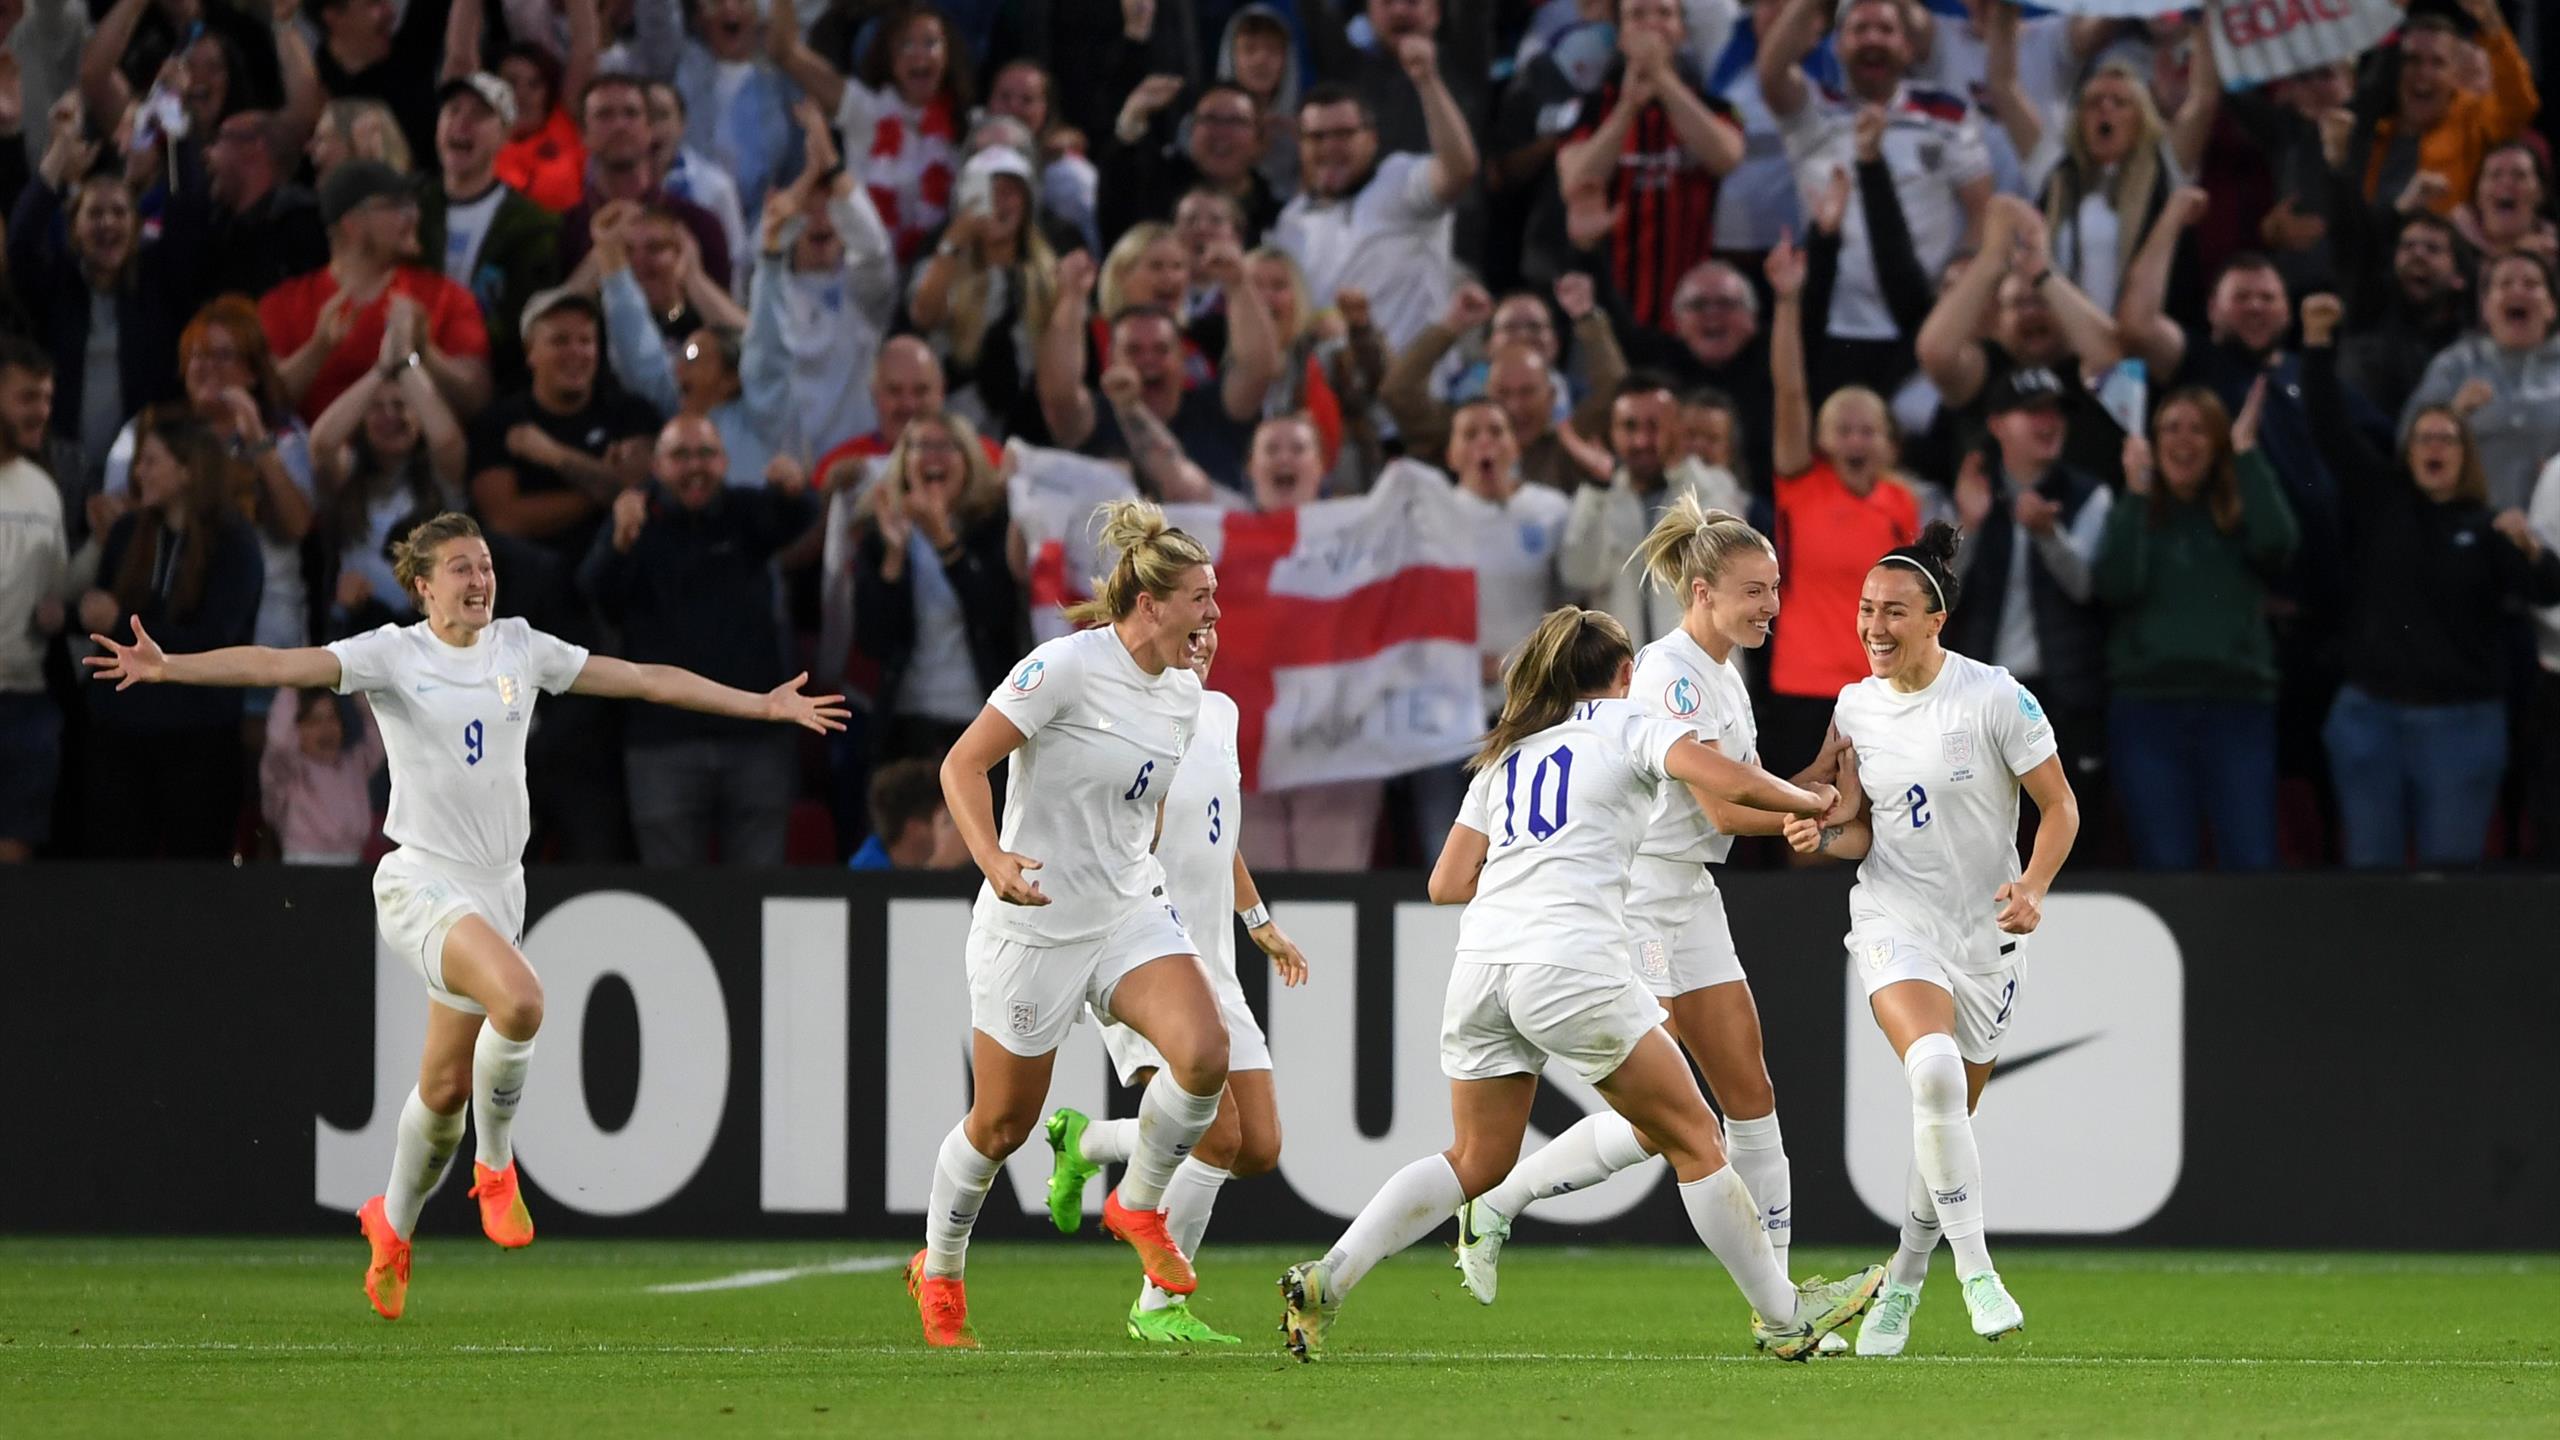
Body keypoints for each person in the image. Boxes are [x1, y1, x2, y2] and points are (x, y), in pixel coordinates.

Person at [83, 509, 843, 1317]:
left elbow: (646, 678)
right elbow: (278, 659)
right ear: (421, 586)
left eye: (484, 565)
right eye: (460, 568)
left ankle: (392, 1226)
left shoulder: (521, 646)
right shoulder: (390, 654)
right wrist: (173, 668)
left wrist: (761, 707)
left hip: (496, 889)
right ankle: (496, 1166)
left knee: (443, 1090)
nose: (479, 580)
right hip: (420, 882)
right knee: (522, 999)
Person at [1278, 605, 1875, 1363]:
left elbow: (1445, 881)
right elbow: (1723, 777)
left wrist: (1536, 865)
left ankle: (1329, 1278)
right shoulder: (1630, 724)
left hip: (1482, 966)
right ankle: (1785, 1316)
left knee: (1475, 1159)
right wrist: (1814, 801)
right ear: (1626, 675)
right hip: (1571, 962)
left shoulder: (1507, 755)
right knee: (1696, 1137)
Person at [1455, 501, 1853, 1340]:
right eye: (1755, 591)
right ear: (1702, 592)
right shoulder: (1669, 674)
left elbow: (1749, 787)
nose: (1771, 606)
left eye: (1777, 588)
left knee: (1751, 1097)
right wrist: (1806, 807)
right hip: (1638, 896)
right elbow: (1718, 807)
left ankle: (1775, 1305)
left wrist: (1818, 775)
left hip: (1692, 896)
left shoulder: (1722, 673)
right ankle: (1502, 1198)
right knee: (1663, 1119)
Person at [911, 500, 1229, 1349]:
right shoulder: (1063, 668)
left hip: (1124, 910)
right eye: (1200, 597)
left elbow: (1145, 808)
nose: (1213, 615)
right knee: (1003, 1125)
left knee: (1203, 1055)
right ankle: (939, 1268)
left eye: (1215, 596)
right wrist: (993, 859)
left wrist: (1135, 871)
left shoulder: (1184, 696)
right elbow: (962, 763)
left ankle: (1135, 1202)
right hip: (1036, 921)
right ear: (1150, 604)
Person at [1784, 521, 2081, 1353]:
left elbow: (2060, 807)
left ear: (1935, 619)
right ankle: (1978, 1274)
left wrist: (2033, 886)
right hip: (1894, 918)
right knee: (1935, 1069)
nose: (1874, 628)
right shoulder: (1853, 708)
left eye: (1894, 613)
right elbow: (1852, 826)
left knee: (1942, 1109)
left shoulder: (1994, 697)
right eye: (1865, 610)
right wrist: (1818, 834)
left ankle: (1904, 1281)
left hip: (1983, 937)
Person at [1040, 620, 1314, 1344]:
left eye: (1216, 621)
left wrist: (1257, 918)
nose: (1208, 634)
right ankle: (1157, 1306)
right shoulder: (1113, 714)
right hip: (1146, 951)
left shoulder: (1217, 712)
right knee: (1216, 1136)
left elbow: (1217, 834)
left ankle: (1089, 1144)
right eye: (1193, 618)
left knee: (1259, 1145)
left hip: (1214, 957)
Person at [2301, 293, 2560, 869]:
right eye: (2425, 438)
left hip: (2461, 727)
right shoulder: (2382, 502)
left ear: (2466, 454)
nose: (2436, 447)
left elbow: (2547, 590)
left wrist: (2534, 549)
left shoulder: (2490, 525)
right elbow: (2330, 428)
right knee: (2371, 878)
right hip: (2371, 721)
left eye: (2448, 438)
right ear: (2408, 452)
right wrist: (2318, 345)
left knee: (2449, 881)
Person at [580, 416, 819, 867]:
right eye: (680, 455)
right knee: (673, 898)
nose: (695, 466)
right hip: (662, 744)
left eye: (706, 454)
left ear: (725, 461)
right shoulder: (635, 521)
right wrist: (617, 542)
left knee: (757, 894)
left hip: (754, 739)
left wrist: (796, 487)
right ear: (656, 464)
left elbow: (803, 514)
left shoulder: (745, 513)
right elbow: (595, 595)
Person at [2095, 382, 2298, 871]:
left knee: (2250, 858)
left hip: (2236, 708)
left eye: (2198, 430)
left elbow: (2279, 544)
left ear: (2218, 442)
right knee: (2166, 862)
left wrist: (2247, 457)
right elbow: (2115, 584)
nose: (2183, 441)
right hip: (2149, 711)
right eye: (2171, 428)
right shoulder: (2138, 509)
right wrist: (2137, 493)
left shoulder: (2237, 510)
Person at [1760, 0, 1991, 394]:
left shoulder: (1946, 113)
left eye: (1885, 30)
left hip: (1922, 321)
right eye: (1859, 29)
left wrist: (1959, 276)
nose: (1873, 39)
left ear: (1907, 46)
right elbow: (1771, 73)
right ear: (1836, 45)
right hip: (1834, 322)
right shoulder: (1814, 113)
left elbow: (1980, 213)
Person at [73, 412, 265, 859]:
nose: (139, 473)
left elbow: (219, 639)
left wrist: (118, 618)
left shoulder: (234, 542)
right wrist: (72, 613)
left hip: (198, 738)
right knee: (117, 872)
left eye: (151, 461)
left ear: (188, 470)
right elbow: (101, 626)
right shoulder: (126, 534)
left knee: (194, 879)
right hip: (121, 735)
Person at [1765, 232, 1919, 781]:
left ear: (1888, 442)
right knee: (1807, 826)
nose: (1856, 440)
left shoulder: (1902, 504)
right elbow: (1789, 392)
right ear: (1823, 439)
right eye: (1843, 429)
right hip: (1804, 684)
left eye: (1868, 430)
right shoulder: (1801, 486)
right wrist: (1786, 301)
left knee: (1880, 831)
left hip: (1882, 685)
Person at [1552, 0, 1741, 330]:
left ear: (1682, 31)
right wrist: (1627, 108)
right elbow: (1575, 182)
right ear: (1621, 34)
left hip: (1696, 314)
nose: (1652, 24)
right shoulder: (1593, 109)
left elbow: (1725, 157)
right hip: (1610, 307)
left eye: (1665, 13)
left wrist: (1661, 79)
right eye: (1638, 14)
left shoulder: (1714, 106)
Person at [261, 159, 494, 427]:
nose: (414, 215)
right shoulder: (284, 304)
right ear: (352, 224)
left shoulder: (447, 296)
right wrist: (319, 348)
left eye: (412, 204)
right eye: (397, 206)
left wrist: (425, 352)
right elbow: (266, 404)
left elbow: (478, 399)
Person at [1268, 53, 1476, 352]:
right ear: (1301, 146)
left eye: (1344, 134)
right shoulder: (1291, 221)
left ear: (1372, 139)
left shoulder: (1400, 180)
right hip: (1331, 391)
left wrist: (1427, 81)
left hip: (1411, 387)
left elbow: (1460, 168)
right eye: (1317, 136)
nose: (1330, 147)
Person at [850, 410, 1023, 766]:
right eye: (920, 446)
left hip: (981, 723)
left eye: (946, 446)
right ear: (903, 462)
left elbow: (996, 613)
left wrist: (945, 541)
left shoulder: (994, 526)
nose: (933, 457)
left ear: (969, 461)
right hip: (906, 724)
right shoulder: (881, 534)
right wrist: (894, 558)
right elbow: (872, 640)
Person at [1562, 381, 1744, 642]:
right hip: (1625, 672)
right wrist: (1598, 488)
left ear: (1677, 429)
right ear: (1612, 432)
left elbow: (1725, 566)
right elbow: (1578, 575)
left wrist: (1682, 470)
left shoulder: (1713, 487)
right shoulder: (1597, 497)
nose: (1641, 440)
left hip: (1698, 673)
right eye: (1630, 426)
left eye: (1654, 426)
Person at [418, 73, 564, 397]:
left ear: (504, 135)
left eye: (480, 115)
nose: (462, 123)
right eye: (453, 110)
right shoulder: (410, 208)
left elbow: (525, 319)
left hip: (493, 383)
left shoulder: (531, 225)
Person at [2400, 251, 2560, 512]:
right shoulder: (2455, 364)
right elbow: (2406, 444)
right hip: (2471, 525)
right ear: (2485, 307)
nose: (2517, 291)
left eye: (2531, 284)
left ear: (2552, 307)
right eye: (2505, 284)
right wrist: (2454, 414)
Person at [0, 339, 67, 863]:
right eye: (27, 397)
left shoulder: (45, 490)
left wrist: (57, 613)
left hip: (26, 698)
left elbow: (55, 595)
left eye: (46, 398)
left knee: (17, 858)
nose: (41, 410)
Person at [260, 687, 385, 864]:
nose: (326, 729)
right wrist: (292, 683)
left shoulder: (354, 763)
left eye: (332, 718)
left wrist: (358, 686)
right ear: (296, 729)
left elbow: (381, 733)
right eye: (314, 721)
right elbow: (279, 742)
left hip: (354, 864)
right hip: (304, 864)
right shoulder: (288, 771)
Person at [847, 757, 969, 870]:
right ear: (915, 828)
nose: (958, 829)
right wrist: (940, 866)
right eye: (946, 821)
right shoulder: (866, 872)